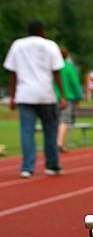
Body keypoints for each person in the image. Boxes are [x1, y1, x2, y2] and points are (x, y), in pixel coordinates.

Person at [4, 20, 67, 178]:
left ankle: (27, 167)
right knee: (50, 130)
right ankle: (52, 165)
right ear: (42, 31)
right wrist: (63, 96)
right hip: (46, 94)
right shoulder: (50, 45)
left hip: (25, 94)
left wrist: (12, 97)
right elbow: (56, 72)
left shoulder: (17, 45)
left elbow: (13, 74)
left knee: (27, 131)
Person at [55, 46, 83, 152]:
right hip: (67, 97)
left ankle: (56, 142)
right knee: (64, 120)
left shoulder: (52, 67)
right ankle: (60, 143)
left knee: (55, 121)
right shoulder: (68, 67)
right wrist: (78, 97)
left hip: (52, 97)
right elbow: (75, 82)